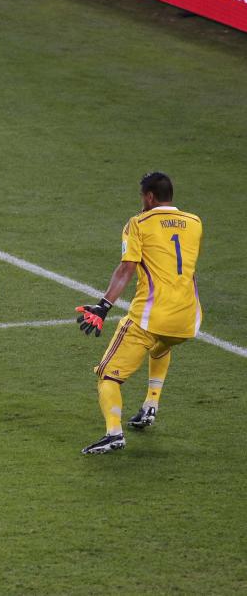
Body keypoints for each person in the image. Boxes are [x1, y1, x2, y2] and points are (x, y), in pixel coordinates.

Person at [76, 172, 203, 455]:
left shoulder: (138, 224)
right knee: (160, 346)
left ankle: (113, 433)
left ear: (149, 197)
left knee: (108, 376)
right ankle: (150, 405)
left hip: (150, 317)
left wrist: (103, 306)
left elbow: (126, 269)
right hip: (187, 319)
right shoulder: (195, 223)